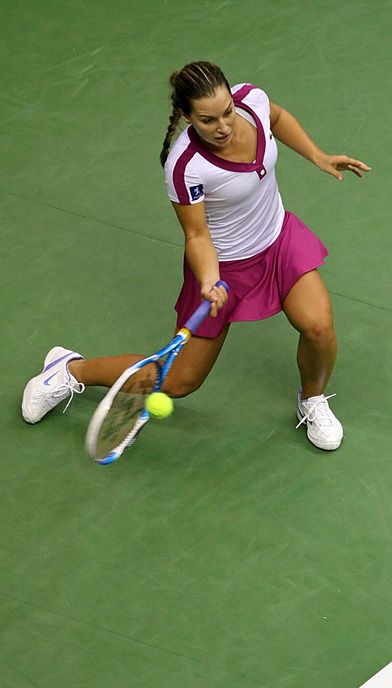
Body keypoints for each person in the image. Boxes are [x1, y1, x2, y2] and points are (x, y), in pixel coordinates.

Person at [22, 61, 370, 451]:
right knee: (179, 381)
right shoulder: (185, 166)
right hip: (224, 270)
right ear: (187, 117)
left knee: (319, 327)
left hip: (278, 241)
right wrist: (207, 278)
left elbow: (278, 117)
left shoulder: (251, 99)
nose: (223, 126)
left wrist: (317, 155)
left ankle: (312, 399)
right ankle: (70, 369)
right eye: (208, 120)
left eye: (227, 112)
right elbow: (197, 234)